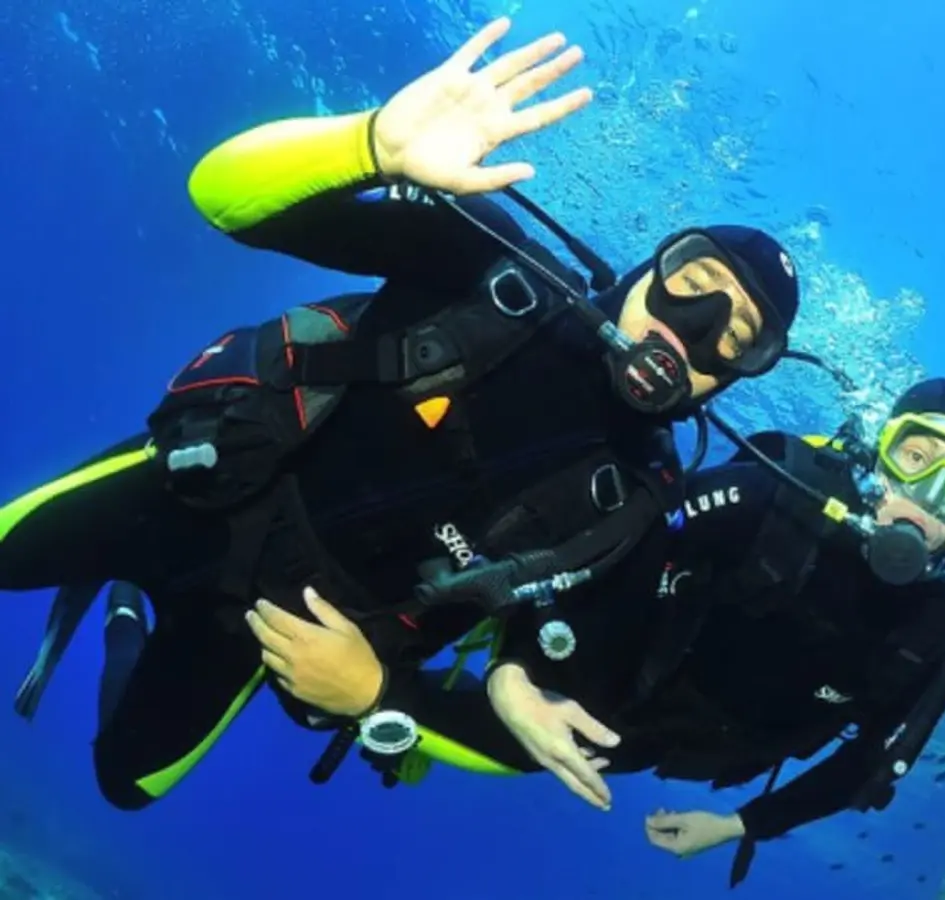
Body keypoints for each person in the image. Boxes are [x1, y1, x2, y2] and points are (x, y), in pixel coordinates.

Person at [0, 17, 800, 811]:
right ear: (648, 269)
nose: (695, 330)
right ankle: (117, 562)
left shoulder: (640, 503)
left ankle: (125, 612)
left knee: (126, 785)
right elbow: (220, 196)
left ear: (731, 381)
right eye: (694, 284)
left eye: (738, 338)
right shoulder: (489, 267)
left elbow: (545, 730)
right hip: (188, 489)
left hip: (275, 626)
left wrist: (381, 694)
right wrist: (371, 145)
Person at [256, 376, 945, 886]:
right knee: (513, 743)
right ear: (878, 453)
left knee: (536, 748)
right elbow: (615, 545)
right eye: (916, 457)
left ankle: (387, 695)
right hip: (613, 677)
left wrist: (739, 825)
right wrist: (516, 668)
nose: (930, 496)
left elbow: (869, 767)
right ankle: (379, 686)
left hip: (690, 747)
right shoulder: (772, 491)